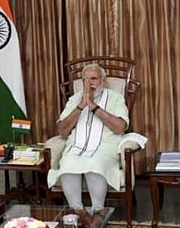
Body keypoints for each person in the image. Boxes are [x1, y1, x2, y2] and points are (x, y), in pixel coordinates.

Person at [47, 64, 128, 212]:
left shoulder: (116, 98)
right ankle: (78, 212)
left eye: (94, 78)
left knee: (95, 163)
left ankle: (98, 211)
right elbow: (62, 131)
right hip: (77, 146)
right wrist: (81, 106)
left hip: (104, 147)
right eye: (85, 79)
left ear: (103, 80)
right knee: (68, 163)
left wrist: (93, 107)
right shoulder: (74, 99)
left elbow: (120, 127)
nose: (89, 83)